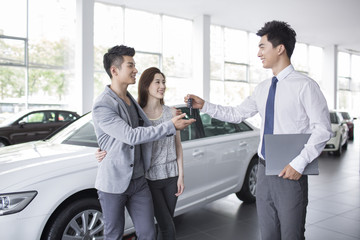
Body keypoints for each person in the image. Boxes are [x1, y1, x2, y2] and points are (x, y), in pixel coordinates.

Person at [184, 21, 332, 240]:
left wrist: (299, 163)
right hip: (264, 170)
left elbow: (322, 130)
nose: (258, 53)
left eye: (262, 46)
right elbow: (236, 114)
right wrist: (204, 105)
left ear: (280, 48)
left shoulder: (305, 86)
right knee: (268, 234)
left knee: (292, 235)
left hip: (291, 172)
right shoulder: (263, 88)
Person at [92, 45, 195, 240]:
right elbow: (130, 136)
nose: (135, 70)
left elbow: (133, 135)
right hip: (114, 182)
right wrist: (170, 126)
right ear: (114, 71)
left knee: (148, 233)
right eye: (130, 65)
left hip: (139, 180)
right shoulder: (102, 104)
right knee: (113, 235)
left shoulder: (132, 100)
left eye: (135, 65)